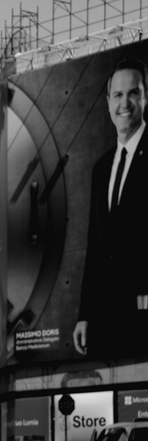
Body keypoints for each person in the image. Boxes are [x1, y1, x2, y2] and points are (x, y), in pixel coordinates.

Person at [73, 56, 148, 361]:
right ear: (107, 102)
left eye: (133, 93)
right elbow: (96, 247)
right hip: (107, 321)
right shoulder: (102, 167)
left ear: (146, 96)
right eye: (118, 95)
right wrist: (84, 315)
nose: (125, 103)